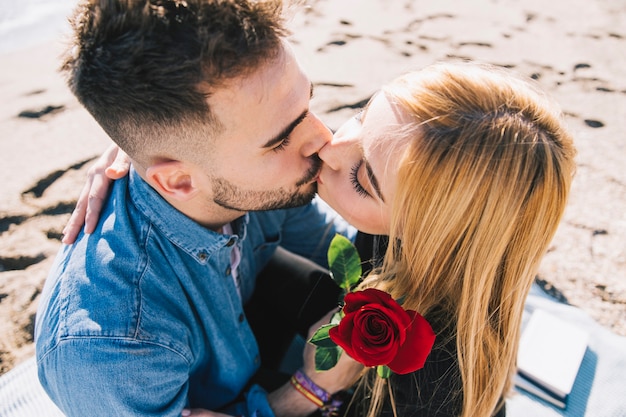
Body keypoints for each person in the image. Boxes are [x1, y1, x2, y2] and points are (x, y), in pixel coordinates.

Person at [72, 61, 577, 417]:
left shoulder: (431, 385)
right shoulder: (415, 222)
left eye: (362, 179)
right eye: (362, 115)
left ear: (429, 233)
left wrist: (303, 395)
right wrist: (151, 148)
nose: (328, 147)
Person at [34, 1, 363, 417]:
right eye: (280, 140)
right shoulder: (111, 348)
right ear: (178, 182)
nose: (323, 138)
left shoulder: (245, 179)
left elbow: (344, 249)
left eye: (308, 106)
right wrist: (309, 390)